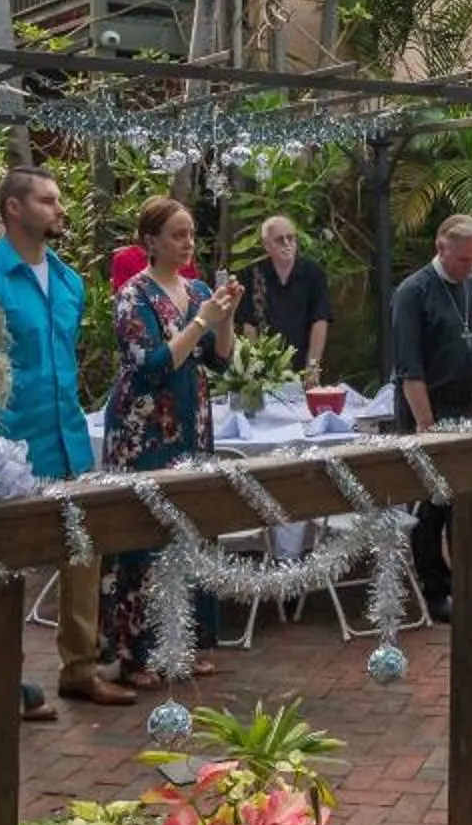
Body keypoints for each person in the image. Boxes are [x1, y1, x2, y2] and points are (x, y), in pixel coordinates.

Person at [0, 167, 131, 710]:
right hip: (10, 443)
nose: (59, 208)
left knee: (83, 548)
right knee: (6, 565)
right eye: (47, 199)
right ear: (14, 209)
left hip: (67, 435)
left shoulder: (71, 282)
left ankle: (79, 667)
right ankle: (2, 677)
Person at [101, 197, 239, 686]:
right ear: (151, 241)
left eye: (191, 234)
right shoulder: (132, 294)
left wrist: (225, 319)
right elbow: (152, 362)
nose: (187, 244)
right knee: (142, 534)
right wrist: (201, 319)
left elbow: (218, 361)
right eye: (177, 235)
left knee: (194, 524)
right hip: (143, 426)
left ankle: (191, 640)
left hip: (191, 421)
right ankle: (134, 653)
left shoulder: (197, 287)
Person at [389, 215, 472, 621]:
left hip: (466, 408)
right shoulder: (413, 293)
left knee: (467, 499)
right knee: (430, 506)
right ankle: (434, 588)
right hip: (425, 408)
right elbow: (409, 368)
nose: (469, 268)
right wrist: (425, 426)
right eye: (462, 260)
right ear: (441, 248)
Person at [240, 214, 331, 379]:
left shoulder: (313, 274)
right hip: (264, 371)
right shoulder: (252, 275)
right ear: (267, 245)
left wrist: (312, 367)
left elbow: (320, 321)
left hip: (304, 367)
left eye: (291, 238)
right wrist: (254, 368)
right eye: (279, 240)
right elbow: (249, 325)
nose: (287, 244)